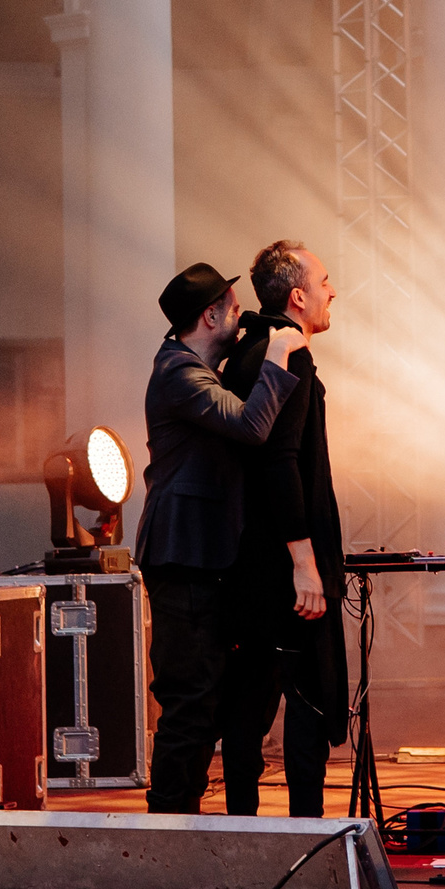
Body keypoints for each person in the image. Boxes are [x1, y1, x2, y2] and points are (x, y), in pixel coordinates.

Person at [139, 262, 305, 814]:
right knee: (189, 701)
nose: (243, 316)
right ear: (210, 317)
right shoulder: (178, 373)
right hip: (181, 555)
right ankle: (167, 832)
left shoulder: (199, 369)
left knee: (205, 700)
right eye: (234, 309)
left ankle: (185, 825)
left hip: (204, 557)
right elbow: (251, 427)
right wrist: (278, 354)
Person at [218, 240, 348, 818]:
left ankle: (242, 834)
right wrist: (306, 564)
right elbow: (280, 462)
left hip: (248, 563)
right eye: (324, 282)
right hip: (283, 567)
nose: (332, 291)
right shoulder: (289, 352)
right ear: (297, 297)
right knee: (307, 699)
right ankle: (305, 837)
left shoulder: (248, 352)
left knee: (248, 702)